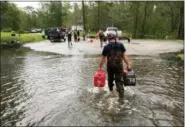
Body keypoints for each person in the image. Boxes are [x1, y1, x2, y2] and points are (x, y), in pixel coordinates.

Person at [99, 33, 131, 102]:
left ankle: (110, 91)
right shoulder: (121, 45)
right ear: (115, 38)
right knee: (119, 81)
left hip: (110, 66)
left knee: (110, 80)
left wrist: (100, 67)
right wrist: (128, 64)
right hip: (119, 66)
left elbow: (103, 59)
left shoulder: (106, 47)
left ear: (108, 39)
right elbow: (124, 56)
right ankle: (121, 97)